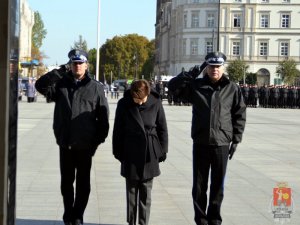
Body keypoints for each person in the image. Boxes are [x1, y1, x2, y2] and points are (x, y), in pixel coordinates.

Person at [168, 52, 246, 225]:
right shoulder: (196, 86)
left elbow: (239, 114)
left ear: (223, 68)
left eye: (218, 67)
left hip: (222, 143)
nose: (214, 70)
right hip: (201, 142)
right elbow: (172, 87)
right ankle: (201, 220)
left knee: (218, 186)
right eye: (211, 66)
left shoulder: (232, 88)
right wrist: (192, 73)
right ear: (206, 67)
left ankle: (214, 220)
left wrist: (237, 139)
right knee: (199, 186)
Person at [35, 49, 109, 225]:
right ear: (70, 65)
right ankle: (69, 213)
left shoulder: (96, 88)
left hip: (85, 145)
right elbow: (40, 86)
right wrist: (58, 72)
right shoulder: (61, 84)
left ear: (86, 65)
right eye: (74, 63)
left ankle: (78, 215)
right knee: (66, 183)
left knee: (83, 184)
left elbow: (103, 120)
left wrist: (96, 142)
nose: (77, 66)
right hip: (65, 143)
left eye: (80, 63)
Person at [112, 79, 168, 225]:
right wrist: (117, 151)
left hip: (150, 152)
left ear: (147, 94)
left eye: (142, 99)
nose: (140, 103)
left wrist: (162, 150)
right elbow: (118, 129)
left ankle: (143, 223)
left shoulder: (156, 102)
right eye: (136, 100)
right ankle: (131, 222)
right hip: (130, 151)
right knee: (131, 193)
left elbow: (162, 128)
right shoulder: (124, 104)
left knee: (146, 193)